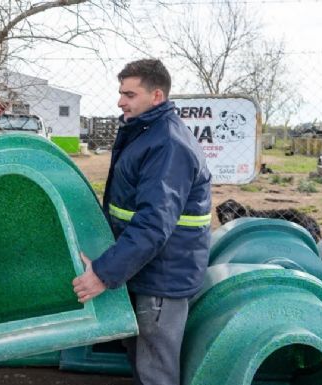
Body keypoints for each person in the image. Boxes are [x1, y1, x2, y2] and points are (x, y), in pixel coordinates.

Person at [72, 59, 212, 385]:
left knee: (155, 371)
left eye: (130, 94)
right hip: (147, 269)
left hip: (161, 278)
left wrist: (104, 274)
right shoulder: (149, 134)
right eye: (121, 93)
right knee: (143, 360)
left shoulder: (167, 144)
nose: (121, 101)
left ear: (157, 96)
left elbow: (152, 223)